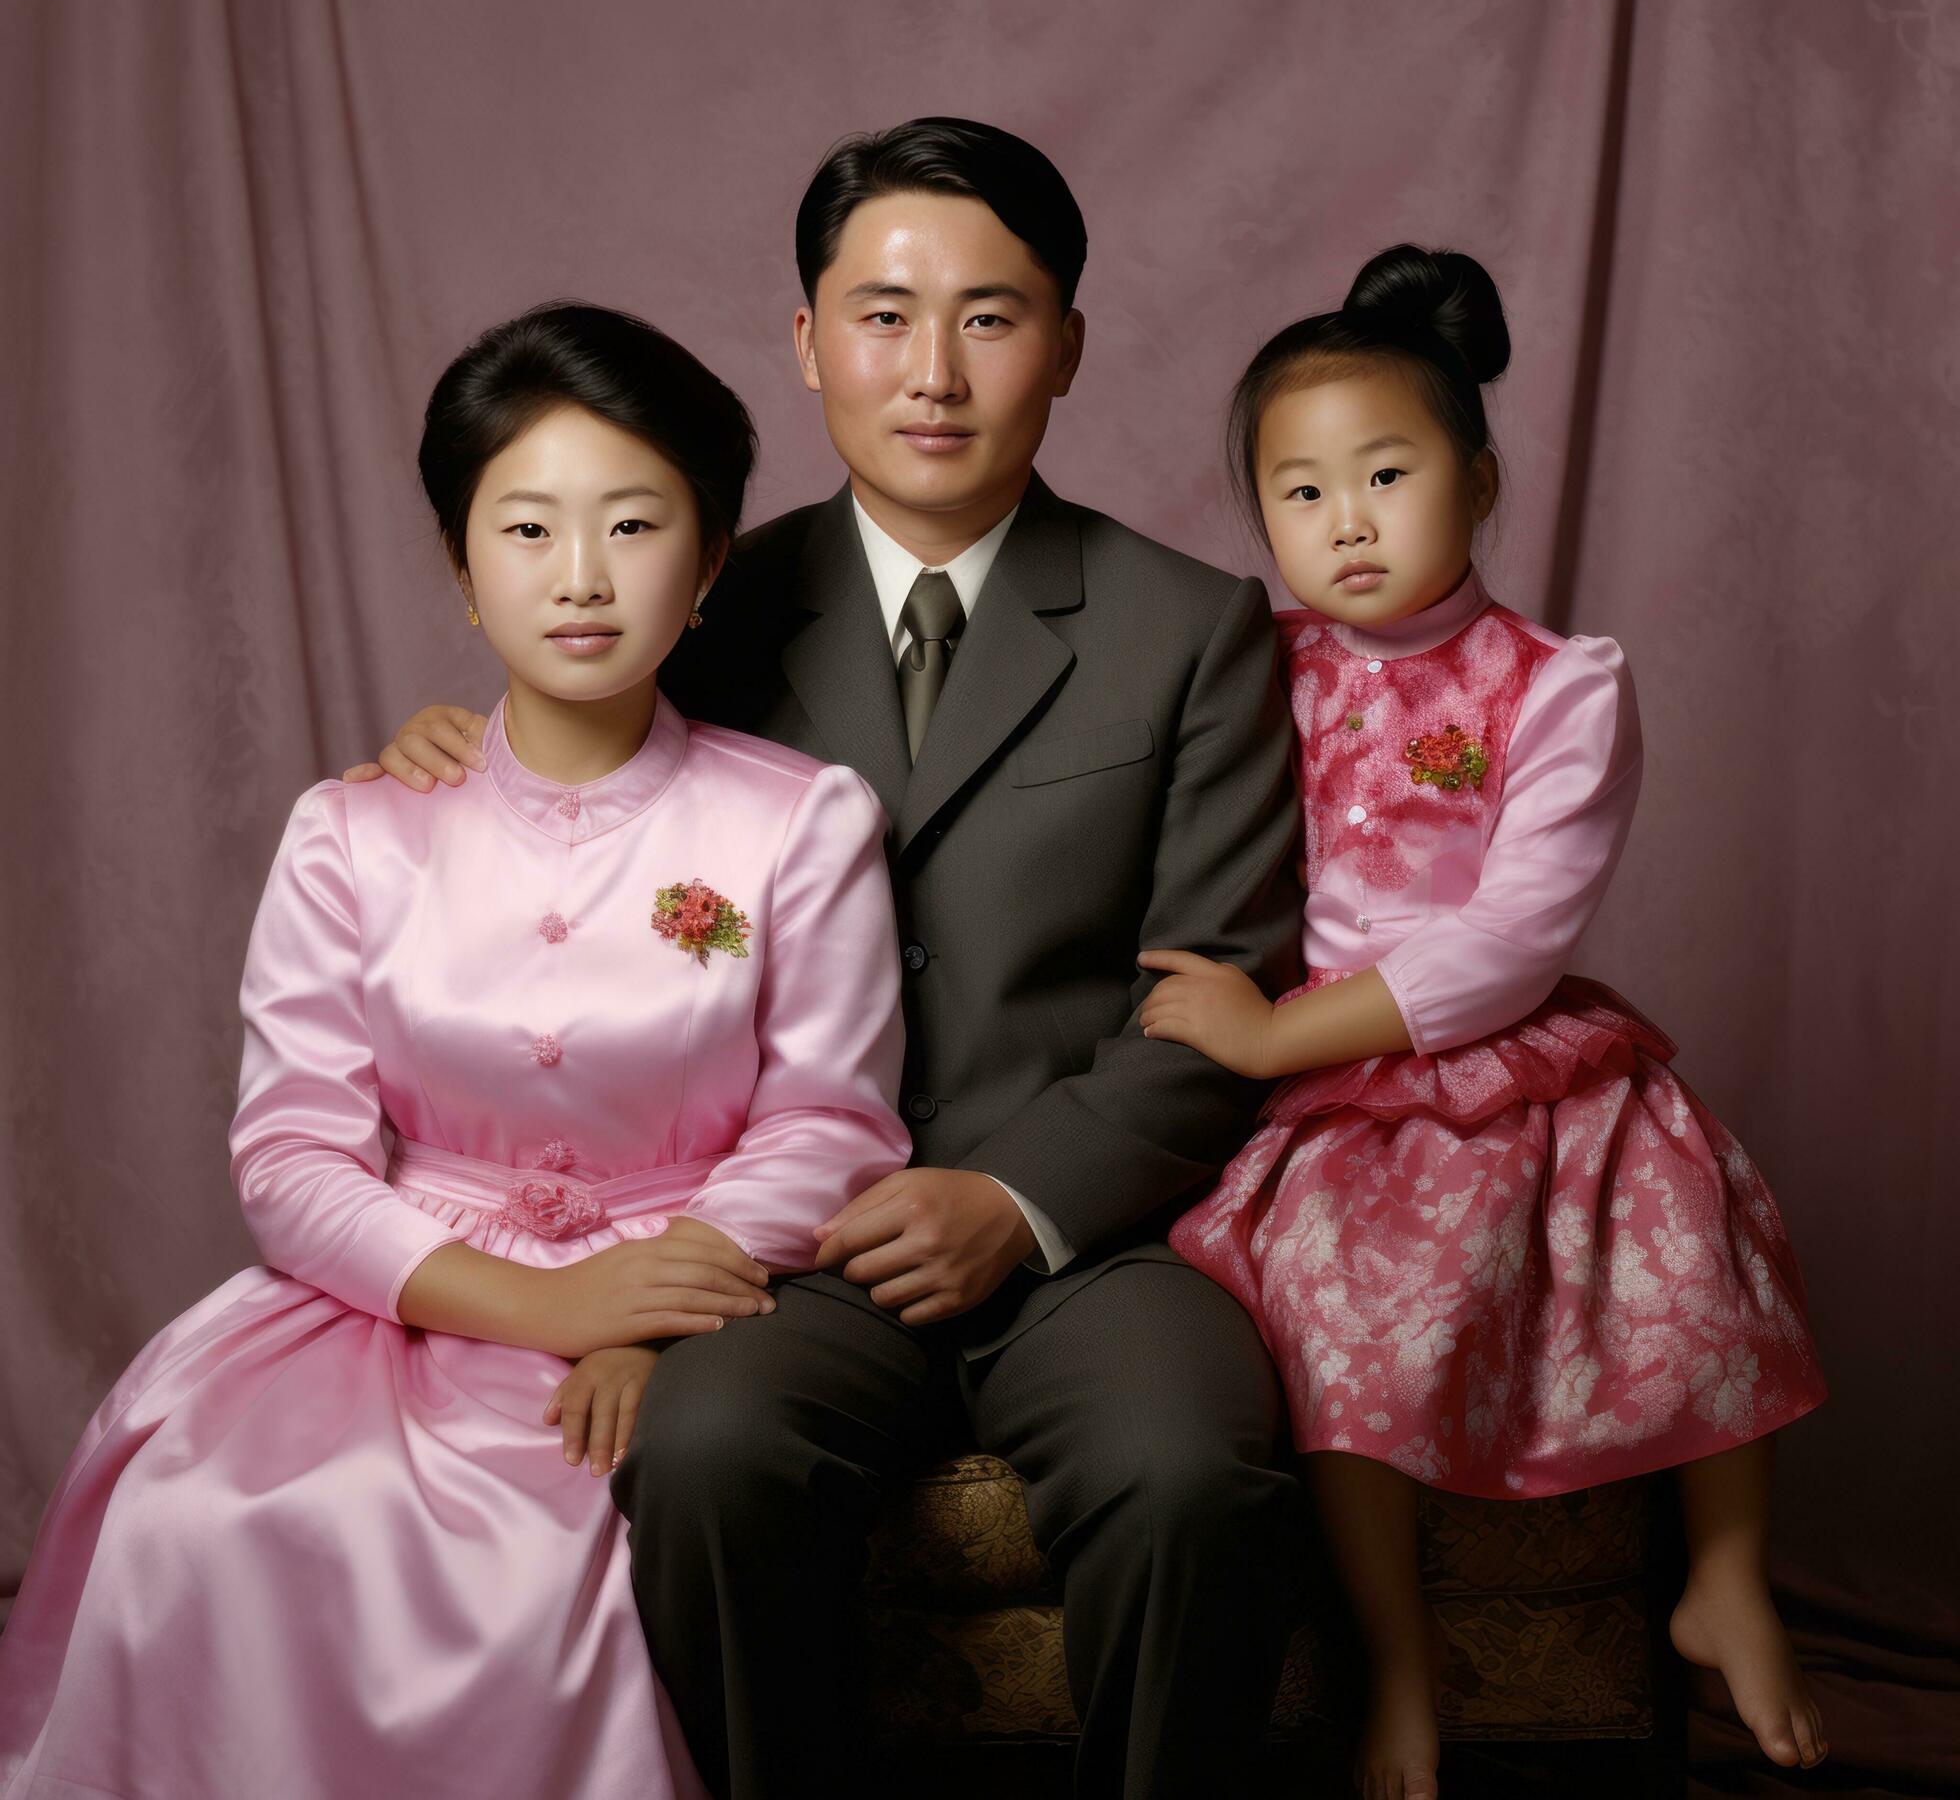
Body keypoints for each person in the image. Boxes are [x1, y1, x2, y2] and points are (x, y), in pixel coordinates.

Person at [354, 118, 1308, 1798]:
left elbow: (1211, 996)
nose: (931, 371)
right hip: (765, 1237)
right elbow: (555, 826)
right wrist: (462, 748)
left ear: (1071, 342)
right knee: (707, 1450)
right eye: (880, 313)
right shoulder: (694, 600)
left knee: (1192, 1473)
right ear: (804, 343)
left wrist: (1006, 1203)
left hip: (1086, 1236)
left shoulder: (1190, 624)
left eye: (991, 317)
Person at [0, 303, 912, 1799]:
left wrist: (642, 1308)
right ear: (461, 570)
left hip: (675, 1290)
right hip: (395, 1300)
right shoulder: (353, 830)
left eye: (632, 525)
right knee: (208, 1513)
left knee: (561, 1558)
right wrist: (537, 1303)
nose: (580, 576)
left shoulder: (795, 820)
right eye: (528, 527)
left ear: (707, 568)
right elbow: (291, 1154)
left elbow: (834, 1125)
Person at [1138, 245, 1831, 1800]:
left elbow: (1516, 938)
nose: (1349, 521)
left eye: (1387, 474)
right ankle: (1396, 1656)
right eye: (1301, 493)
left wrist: (1269, 1037)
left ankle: (1728, 1574)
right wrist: (1262, 1042)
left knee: (1696, 1219)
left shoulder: (1561, 684)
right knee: (1334, 1304)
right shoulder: (1247, 667)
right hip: (1332, 1082)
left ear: (1481, 478)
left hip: (1506, 1050)